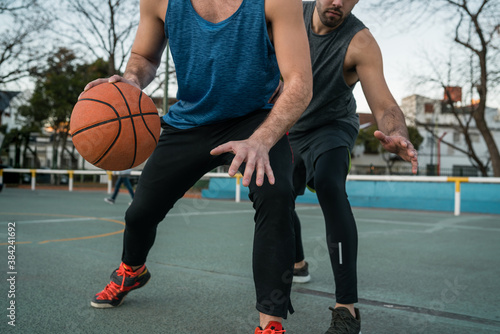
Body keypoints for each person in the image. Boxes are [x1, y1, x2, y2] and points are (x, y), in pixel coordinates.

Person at [83, 0, 312, 333]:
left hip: (255, 120)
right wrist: (131, 82)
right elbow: (144, 58)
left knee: (277, 197)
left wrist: (262, 140)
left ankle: (271, 322)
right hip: (190, 120)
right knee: (140, 213)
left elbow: (299, 82)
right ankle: (131, 271)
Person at [287, 1, 419, 333]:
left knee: (331, 186)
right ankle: (298, 263)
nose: (338, 2)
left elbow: (385, 104)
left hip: (331, 126)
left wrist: (398, 133)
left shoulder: (360, 42)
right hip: (288, 124)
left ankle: (347, 309)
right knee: (275, 193)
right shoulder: (286, 13)